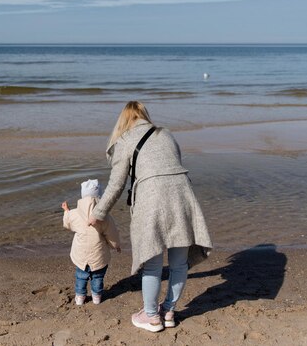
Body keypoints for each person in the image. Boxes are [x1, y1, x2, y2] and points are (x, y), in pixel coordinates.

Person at [89, 101, 212, 332]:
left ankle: (151, 316)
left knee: (153, 264)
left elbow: (116, 185)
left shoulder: (124, 140)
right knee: (179, 264)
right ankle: (169, 312)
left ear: (124, 120)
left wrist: (98, 213)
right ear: (144, 115)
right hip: (183, 195)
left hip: (152, 199)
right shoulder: (166, 134)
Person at [62, 179, 121, 306]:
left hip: (81, 255)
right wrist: (116, 245)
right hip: (98, 255)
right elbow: (112, 234)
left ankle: (80, 297)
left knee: (81, 277)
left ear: (82, 196)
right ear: (99, 196)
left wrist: (66, 210)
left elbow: (67, 222)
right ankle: (96, 297)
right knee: (98, 277)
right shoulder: (104, 217)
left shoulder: (75, 213)